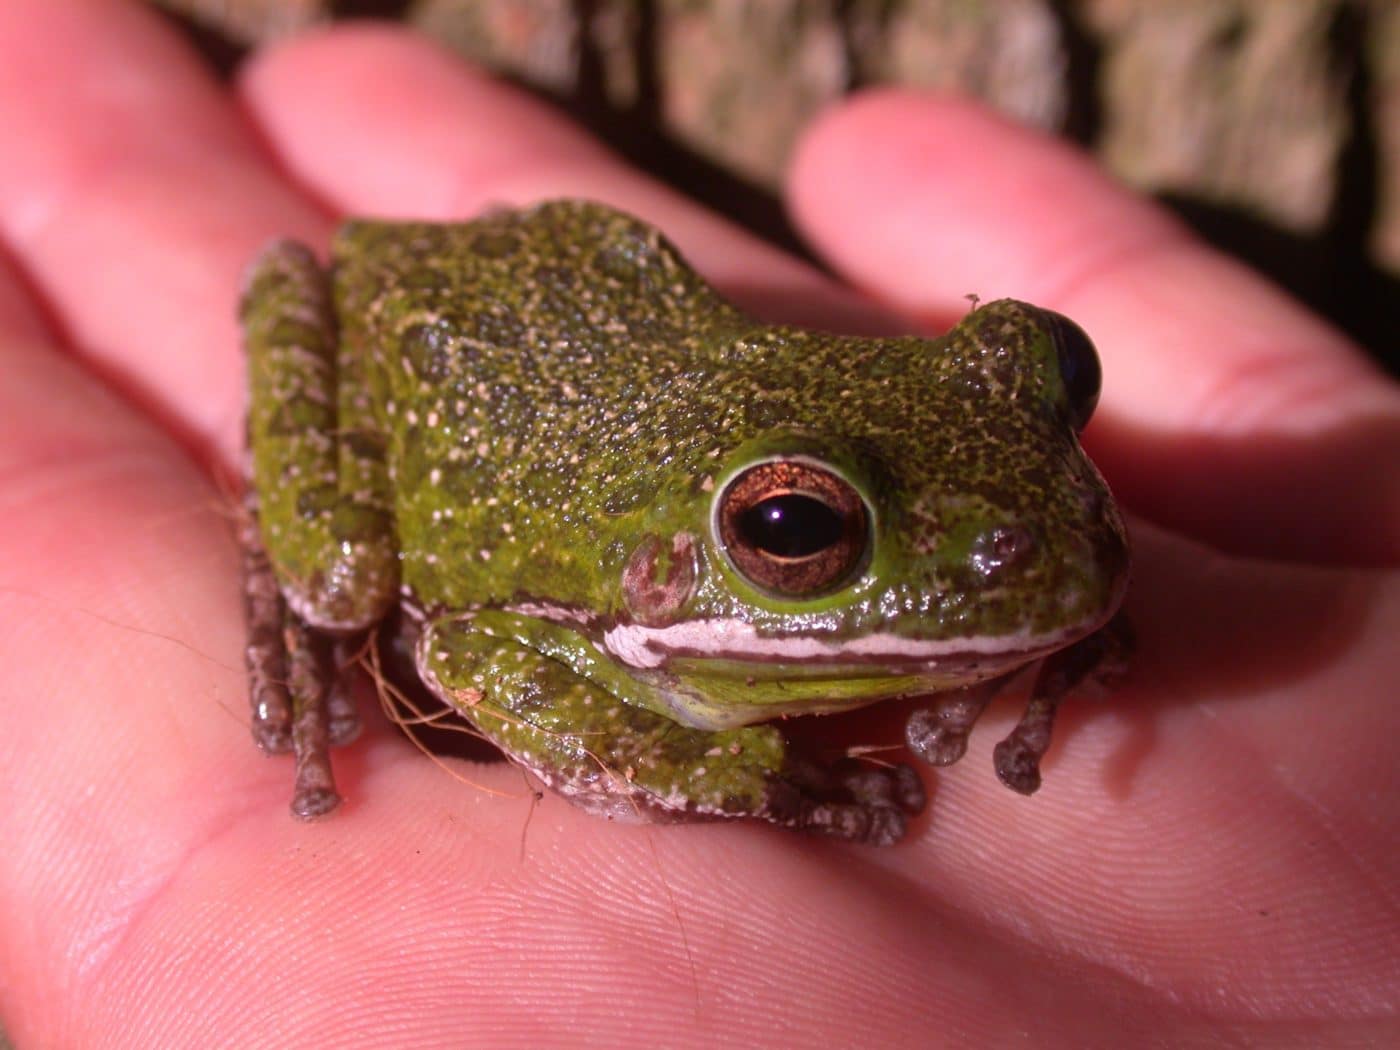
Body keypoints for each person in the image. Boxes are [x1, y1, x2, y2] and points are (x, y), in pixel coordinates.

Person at [0, 1, 1396, 1044]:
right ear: (714, 547)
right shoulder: (610, 562)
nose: (1023, 529)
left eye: (1055, 396)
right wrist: (748, 775)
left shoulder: (1010, 504)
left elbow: (1011, 508)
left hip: (592, 301)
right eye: (799, 528)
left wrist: (1074, 584)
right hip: (449, 374)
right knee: (343, 573)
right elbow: (487, 653)